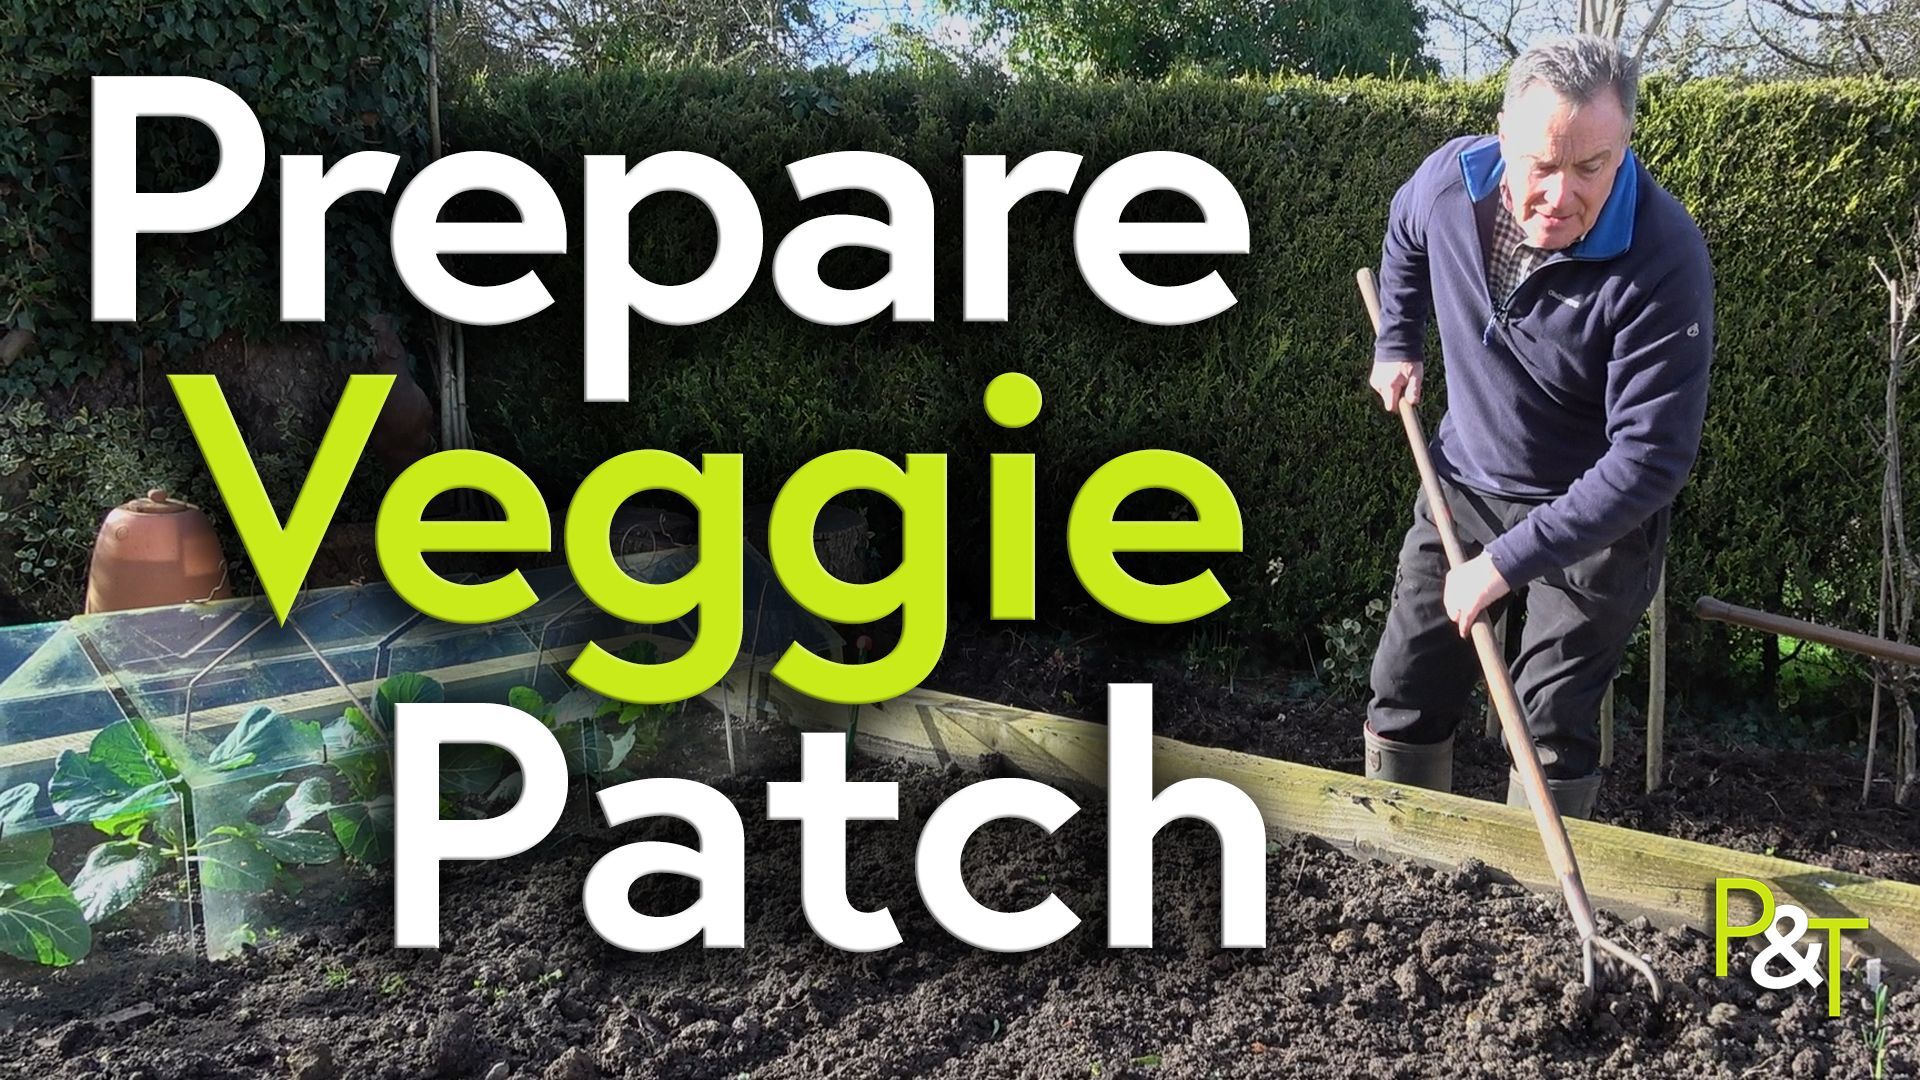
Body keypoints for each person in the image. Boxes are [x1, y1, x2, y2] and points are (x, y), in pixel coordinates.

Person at [1362, 33, 1714, 819]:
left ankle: (1538, 927)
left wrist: (1505, 564)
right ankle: (1401, 873)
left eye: (1593, 166)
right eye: (1542, 165)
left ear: (1623, 147)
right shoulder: (1449, 183)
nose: (1561, 194)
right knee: (1405, 693)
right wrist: (1397, 343)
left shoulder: (1663, 256)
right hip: (1464, 485)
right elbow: (1404, 234)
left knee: (1547, 727)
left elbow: (1651, 460)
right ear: (1501, 137)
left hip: (1595, 523)